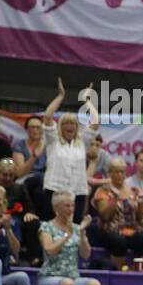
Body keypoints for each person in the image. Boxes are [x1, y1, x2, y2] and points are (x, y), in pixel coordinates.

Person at [37, 191, 102, 285]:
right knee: (67, 284)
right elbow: (49, 251)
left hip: (72, 278)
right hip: (49, 277)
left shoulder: (77, 228)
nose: (71, 209)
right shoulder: (46, 227)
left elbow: (86, 254)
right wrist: (67, 235)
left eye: (72, 205)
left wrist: (82, 234)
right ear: (56, 208)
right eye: (67, 206)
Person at [40, 79, 96, 222]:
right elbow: (47, 117)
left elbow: (95, 122)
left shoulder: (82, 141)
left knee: (74, 228)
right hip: (55, 189)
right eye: (65, 123)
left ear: (77, 127)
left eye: (72, 123)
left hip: (78, 191)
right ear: (60, 126)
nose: (69, 126)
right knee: (52, 226)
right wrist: (60, 97)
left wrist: (87, 101)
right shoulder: (53, 140)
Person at [90, 157, 143, 269]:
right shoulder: (103, 190)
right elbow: (105, 216)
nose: (120, 175)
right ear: (110, 173)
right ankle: (121, 274)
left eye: (122, 172)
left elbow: (141, 217)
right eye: (116, 172)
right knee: (119, 241)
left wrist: (141, 202)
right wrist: (115, 199)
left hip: (131, 230)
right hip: (110, 230)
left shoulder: (132, 190)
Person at [0, 159, 42, 264]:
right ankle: (10, 255)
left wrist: (30, 213)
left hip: (16, 217)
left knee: (32, 222)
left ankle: (34, 258)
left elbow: (29, 206)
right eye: (5, 175)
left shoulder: (19, 188)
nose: (8, 178)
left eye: (11, 175)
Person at [13, 116, 47, 183]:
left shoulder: (48, 146)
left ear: (42, 130)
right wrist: (33, 157)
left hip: (45, 180)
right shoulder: (19, 146)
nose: (35, 130)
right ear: (26, 129)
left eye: (38, 127)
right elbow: (20, 173)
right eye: (32, 127)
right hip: (25, 179)